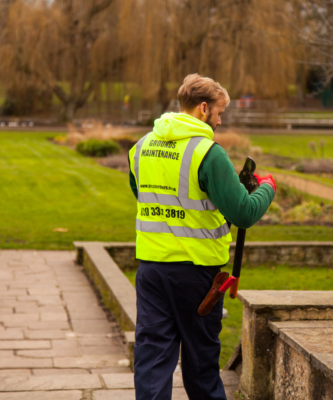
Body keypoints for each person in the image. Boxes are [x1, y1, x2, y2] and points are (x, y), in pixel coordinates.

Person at [128, 73, 276, 400]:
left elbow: (145, 195)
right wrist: (267, 188)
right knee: (201, 364)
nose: (221, 121)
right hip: (197, 277)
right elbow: (243, 214)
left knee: (152, 358)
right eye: (220, 113)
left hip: (151, 270)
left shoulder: (141, 147)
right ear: (204, 109)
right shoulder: (209, 153)